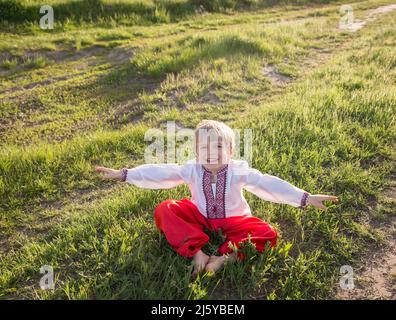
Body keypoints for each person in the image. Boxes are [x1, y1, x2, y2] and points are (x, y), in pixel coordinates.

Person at [95, 120, 338, 277]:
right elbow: (160, 172)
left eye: (219, 148)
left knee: (268, 232)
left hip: (235, 221)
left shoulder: (238, 170)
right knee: (166, 208)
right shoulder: (191, 168)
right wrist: (125, 174)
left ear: (230, 152)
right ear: (196, 152)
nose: (211, 153)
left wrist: (303, 197)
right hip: (200, 217)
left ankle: (224, 257)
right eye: (204, 149)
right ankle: (197, 251)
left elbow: (267, 184)